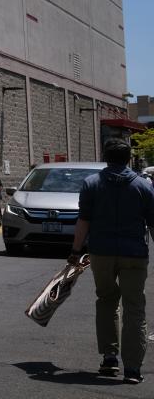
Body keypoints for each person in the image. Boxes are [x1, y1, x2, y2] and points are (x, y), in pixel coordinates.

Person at [70, 139, 154, 385]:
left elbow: (83, 221)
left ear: (105, 157)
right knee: (134, 307)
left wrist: (76, 251)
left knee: (106, 301)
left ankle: (109, 358)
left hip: (102, 253)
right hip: (134, 255)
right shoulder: (143, 186)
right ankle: (132, 368)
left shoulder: (91, 184)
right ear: (129, 158)